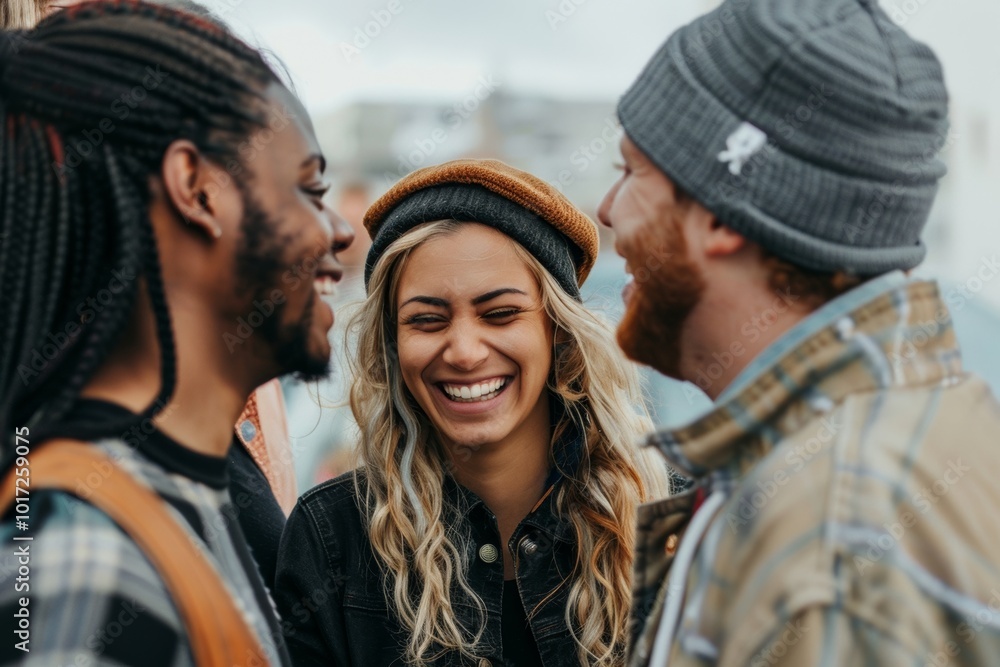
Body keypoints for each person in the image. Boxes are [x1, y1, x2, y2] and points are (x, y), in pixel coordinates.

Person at [596, 0, 1000, 665]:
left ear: (723, 216)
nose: (609, 211)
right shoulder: (938, 420)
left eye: (633, 169)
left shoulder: (828, 541)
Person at [0, 1, 353, 665]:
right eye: (307, 187)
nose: (336, 231)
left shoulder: (180, 493)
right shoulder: (86, 565)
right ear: (197, 188)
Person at [275, 159, 673, 666]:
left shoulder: (670, 522)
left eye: (500, 314)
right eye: (427, 320)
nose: (464, 351)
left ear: (558, 330)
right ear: (393, 346)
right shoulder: (331, 537)